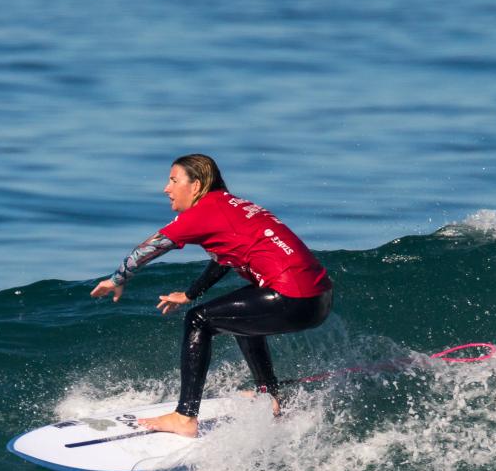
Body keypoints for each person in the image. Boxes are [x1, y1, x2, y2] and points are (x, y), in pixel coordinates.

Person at [91, 154, 333, 437]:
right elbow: (224, 257)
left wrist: (118, 279)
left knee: (198, 321)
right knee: (240, 318)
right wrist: (191, 293)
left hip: (291, 296)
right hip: (317, 297)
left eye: (173, 180)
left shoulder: (201, 213)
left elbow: (151, 247)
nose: (166, 189)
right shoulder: (231, 205)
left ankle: (185, 417)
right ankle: (271, 397)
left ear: (196, 185)